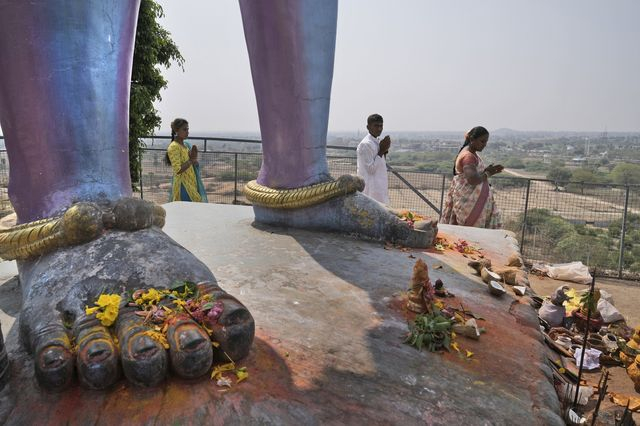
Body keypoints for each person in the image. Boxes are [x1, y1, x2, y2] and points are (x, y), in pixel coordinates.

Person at [440, 126, 503, 228]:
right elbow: (473, 180)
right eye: (482, 141)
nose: (485, 145)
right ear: (472, 139)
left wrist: (487, 171)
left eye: (486, 142)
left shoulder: (471, 154)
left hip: (472, 203)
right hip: (470, 206)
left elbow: (475, 174)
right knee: (471, 232)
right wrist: (488, 173)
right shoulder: (468, 156)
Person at [166, 118, 208, 202]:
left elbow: (192, 163)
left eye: (188, 129)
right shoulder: (174, 147)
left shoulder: (186, 145)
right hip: (183, 185)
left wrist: (195, 161)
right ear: (177, 131)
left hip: (191, 182)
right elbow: (177, 170)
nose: (187, 132)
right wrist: (191, 160)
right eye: (184, 129)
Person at [356, 114, 391, 204]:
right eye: (376, 126)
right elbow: (371, 169)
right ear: (368, 127)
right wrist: (382, 151)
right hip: (370, 189)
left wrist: (384, 151)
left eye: (381, 126)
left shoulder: (376, 141)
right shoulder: (366, 144)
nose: (379, 129)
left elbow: (380, 164)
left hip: (379, 186)